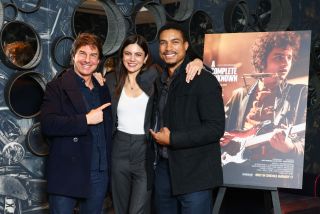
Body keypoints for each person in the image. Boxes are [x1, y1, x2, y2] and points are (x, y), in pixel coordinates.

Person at [100, 34, 203, 214]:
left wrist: (198, 61)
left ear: (146, 57)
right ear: (122, 56)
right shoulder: (111, 80)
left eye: (138, 54)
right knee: (120, 208)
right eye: (128, 53)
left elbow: (178, 71)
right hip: (118, 149)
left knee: (138, 209)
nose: (132, 59)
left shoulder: (155, 75)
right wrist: (94, 76)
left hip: (145, 150)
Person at [149, 23, 225, 214]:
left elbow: (215, 128)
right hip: (165, 170)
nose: (168, 48)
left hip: (195, 173)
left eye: (175, 42)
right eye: (163, 43)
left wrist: (172, 139)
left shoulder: (202, 79)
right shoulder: (160, 81)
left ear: (185, 46)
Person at [220, 31, 307, 187]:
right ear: (262, 61)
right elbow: (220, 132)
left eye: (289, 57)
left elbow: (304, 142)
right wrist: (226, 141)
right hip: (236, 174)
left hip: (274, 175)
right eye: (279, 57)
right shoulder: (239, 95)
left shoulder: (299, 94)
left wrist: (290, 147)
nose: (286, 63)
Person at [40, 33, 112, 214]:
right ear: (73, 56)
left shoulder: (102, 87)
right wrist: (86, 120)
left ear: (98, 60)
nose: (87, 60)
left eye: (93, 55)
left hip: (98, 172)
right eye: (82, 53)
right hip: (67, 171)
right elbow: (48, 124)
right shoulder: (56, 87)